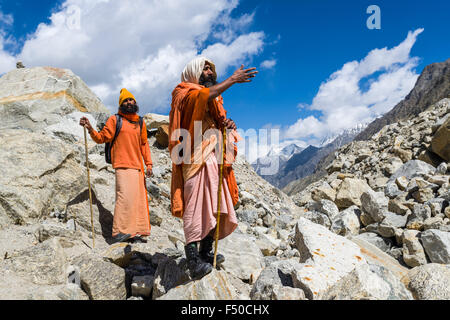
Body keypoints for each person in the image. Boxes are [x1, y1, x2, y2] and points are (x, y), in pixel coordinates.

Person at [169, 57, 257, 279]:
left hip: (212, 156)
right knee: (196, 206)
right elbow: (200, 97)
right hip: (193, 157)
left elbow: (214, 117)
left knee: (214, 203)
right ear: (193, 72)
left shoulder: (214, 99)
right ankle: (192, 262)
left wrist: (226, 125)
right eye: (205, 68)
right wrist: (233, 79)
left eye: (211, 69)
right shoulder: (184, 92)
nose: (209, 72)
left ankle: (205, 253)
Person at [79, 88, 153, 244]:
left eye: (130, 100)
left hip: (138, 167)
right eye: (125, 101)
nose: (128, 102)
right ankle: (119, 231)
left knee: (137, 200)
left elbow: (144, 144)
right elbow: (102, 137)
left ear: (135, 102)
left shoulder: (140, 122)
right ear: (121, 104)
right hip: (122, 165)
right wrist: (90, 128)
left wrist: (149, 164)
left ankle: (135, 233)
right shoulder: (115, 120)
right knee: (124, 198)